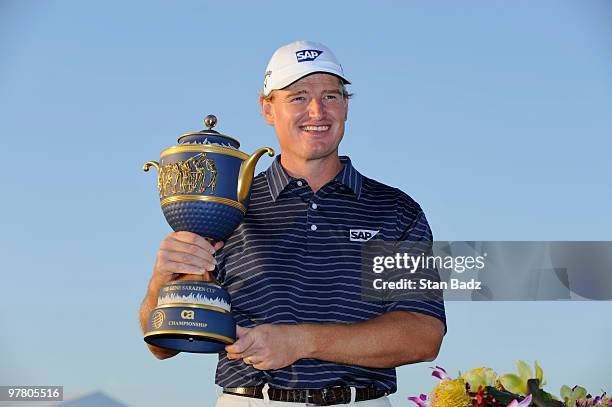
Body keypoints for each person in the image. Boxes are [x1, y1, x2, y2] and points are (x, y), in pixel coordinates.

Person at [139, 40, 446, 406]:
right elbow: (162, 346)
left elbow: (423, 335)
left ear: (346, 106)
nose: (317, 111)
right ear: (268, 108)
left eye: (330, 96)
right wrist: (162, 279)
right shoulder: (225, 203)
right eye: (298, 97)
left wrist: (300, 341)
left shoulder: (395, 209)